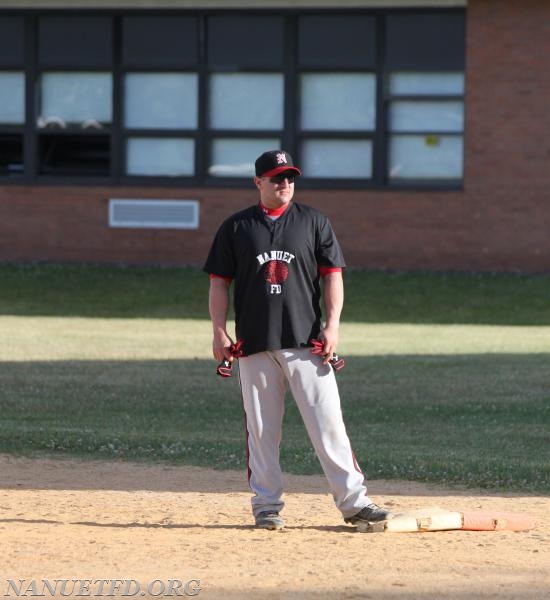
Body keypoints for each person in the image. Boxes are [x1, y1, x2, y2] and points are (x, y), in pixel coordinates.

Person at [203, 150, 391, 530]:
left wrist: (333, 325)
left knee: (328, 424)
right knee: (261, 431)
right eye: (275, 178)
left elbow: (333, 275)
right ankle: (266, 506)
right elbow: (219, 281)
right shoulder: (237, 227)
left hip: (307, 343)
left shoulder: (313, 221)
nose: (284, 183)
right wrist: (219, 330)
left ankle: (354, 502)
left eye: (289, 177)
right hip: (254, 344)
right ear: (258, 183)